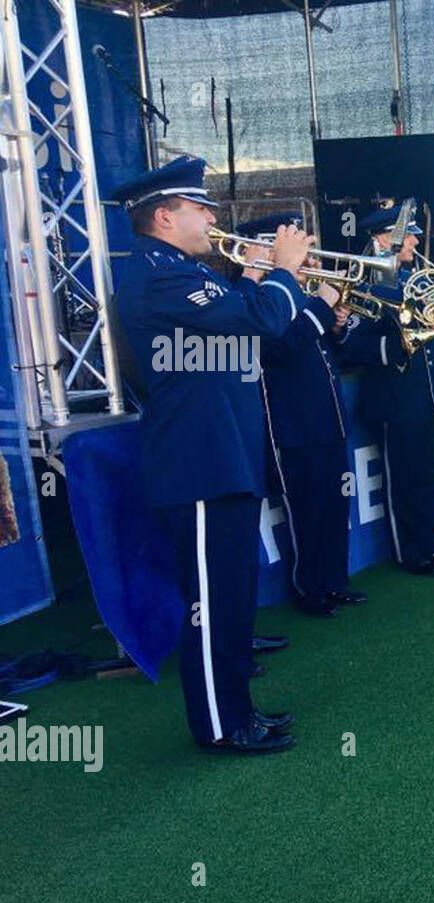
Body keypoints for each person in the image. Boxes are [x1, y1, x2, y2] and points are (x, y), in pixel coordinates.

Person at [112, 156, 308, 754]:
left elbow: (239, 334)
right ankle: (221, 726)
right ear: (165, 216)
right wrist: (282, 271)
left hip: (221, 457)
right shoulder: (160, 273)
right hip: (198, 462)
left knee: (230, 599)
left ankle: (237, 710)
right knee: (210, 606)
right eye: (201, 208)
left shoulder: (176, 271)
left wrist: (254, 278)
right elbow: (259, 321)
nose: (210, 218)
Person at [237, 212, 365, 618]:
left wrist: (338, 323)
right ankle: (310, 589)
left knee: (334, 505)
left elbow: (332, 350)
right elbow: (277, 350)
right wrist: (322, 306)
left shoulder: (298, 293)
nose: (307, 258)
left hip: (328, 417)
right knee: (306, 510)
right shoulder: (256, 296)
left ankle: (334, 581)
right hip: (291, 423)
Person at [334, 204, 434, 576]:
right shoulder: (361, 281)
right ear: (382, 239)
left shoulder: (413, 276)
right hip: (394, 393)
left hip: (425, 392)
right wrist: (398, 347)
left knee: (427, 471)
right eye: (406, 235)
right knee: (405, 476)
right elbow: (352, 344)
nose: (414, 241)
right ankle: (411, 552)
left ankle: (430, 543)